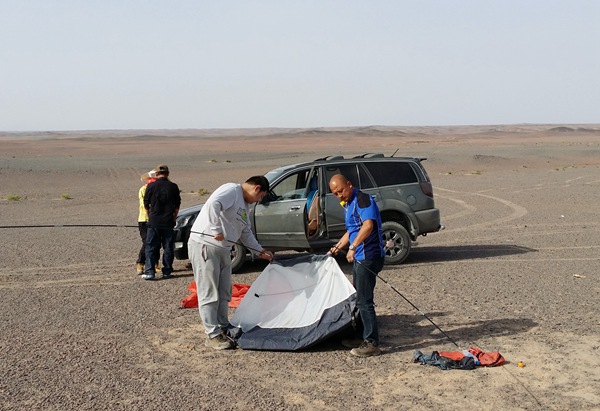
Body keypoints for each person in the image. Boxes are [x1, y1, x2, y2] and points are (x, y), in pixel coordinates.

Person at [188, 176, 274, 350]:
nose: (259, 201)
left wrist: (259, 251)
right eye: (261, 197)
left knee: (224, 290)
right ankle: (212, 334)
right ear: (256, 188)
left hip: (224, 250)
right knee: (209, 291)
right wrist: (216, 229)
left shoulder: (245, 205)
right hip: (206, 245)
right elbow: (214, 204)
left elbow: (245, 232)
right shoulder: (231, 190)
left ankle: (222, 325)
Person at [328, 174, 385, 357]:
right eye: (335, 194)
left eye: (341, 191)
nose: (340, 196)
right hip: (360, 255)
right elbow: (352, 230)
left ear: (350, 185)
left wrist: (353, 247)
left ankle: (372, 342)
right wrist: (337, 248)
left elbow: (368, 226)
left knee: (364, 301)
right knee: (359, 297)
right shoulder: (349, 204)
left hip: (369, 256)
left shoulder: (362, 199)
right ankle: (361, 336)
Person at [142, 164, 181, 280]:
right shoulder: (173, 186)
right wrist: (174, 218)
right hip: (168, 221)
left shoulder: (151, 186)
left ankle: (150, 272)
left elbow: (146, 204)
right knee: (168, 247)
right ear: (168, 174)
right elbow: (177, 206)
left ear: (157, 174)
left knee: (151, 247)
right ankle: (167, 271)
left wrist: (150, 216)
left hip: (154, 221)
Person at [136, 169, 159, 275]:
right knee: (147, 242)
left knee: (157, 242)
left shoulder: (158, 189)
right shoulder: (143, 190)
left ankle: (155, 263)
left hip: (156, 219)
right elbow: (145, 205)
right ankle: (140, 263)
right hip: (144, 220)